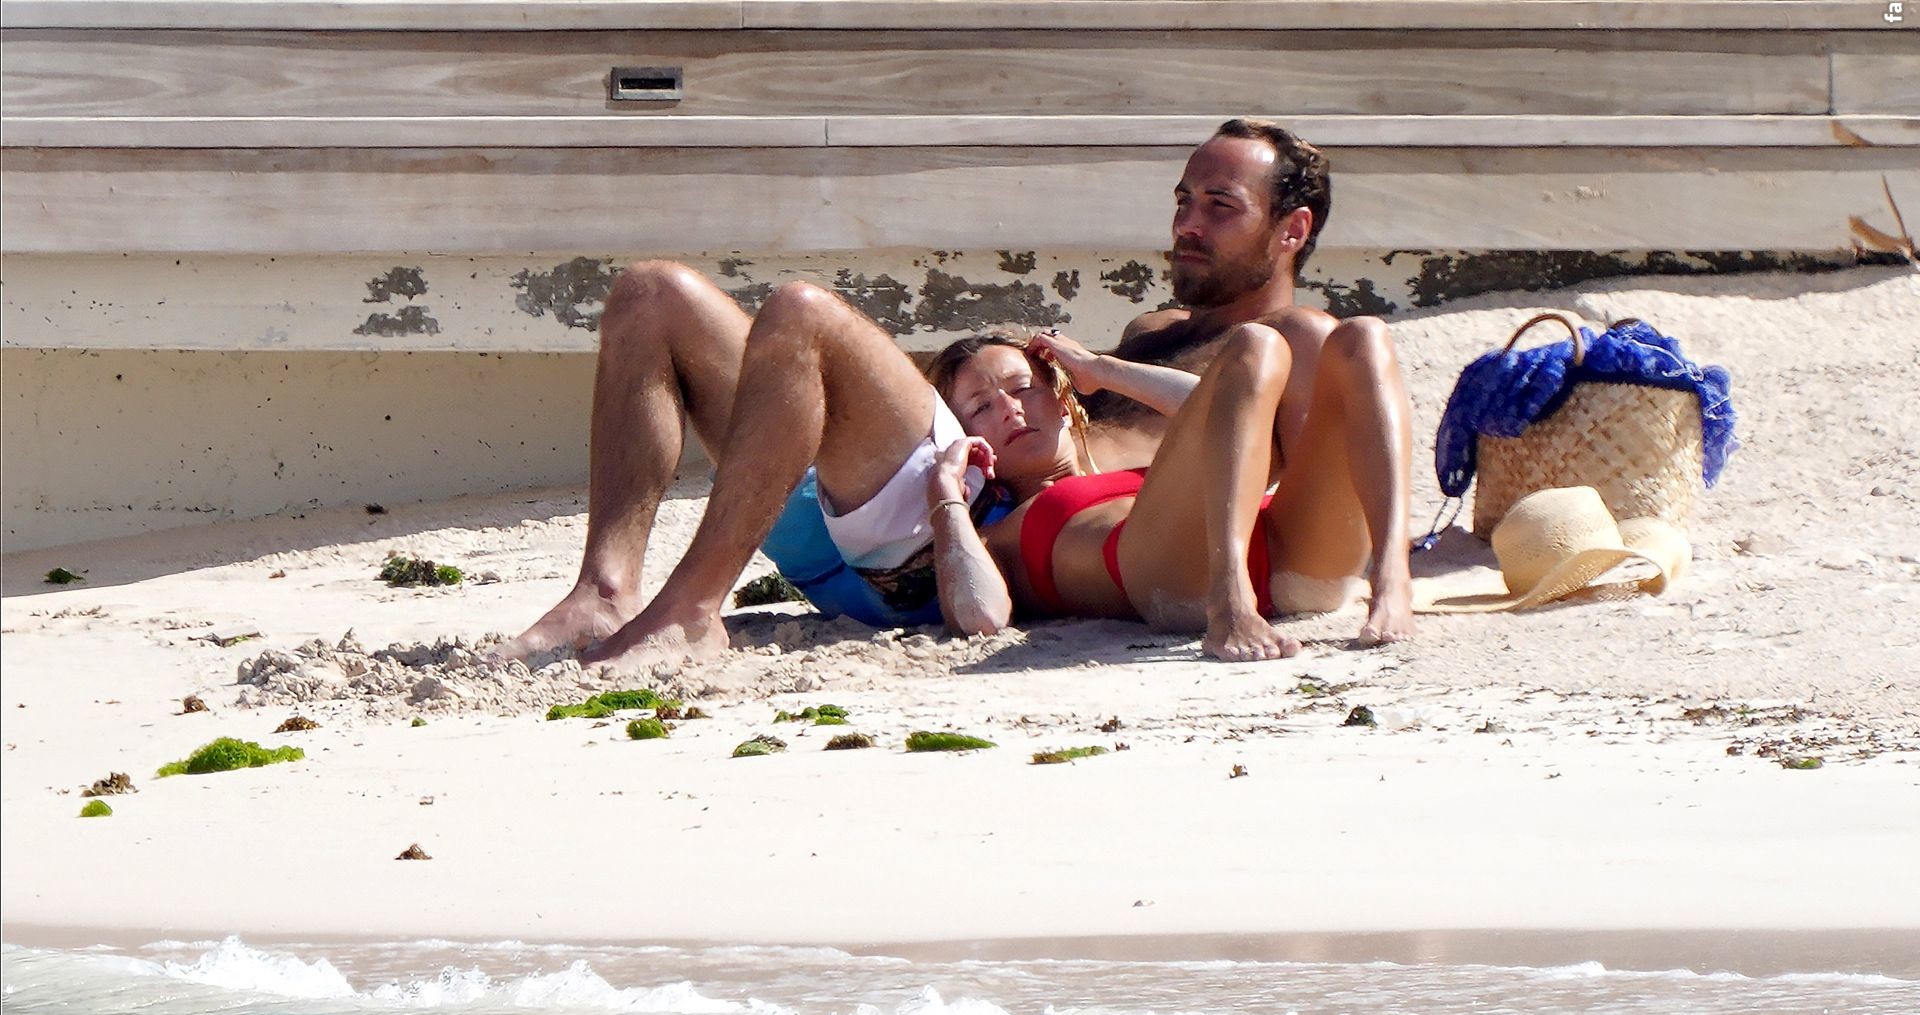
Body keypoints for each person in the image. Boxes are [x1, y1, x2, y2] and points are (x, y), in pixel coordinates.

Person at [498, 118, 1413, 670]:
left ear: (1291, 230)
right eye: (1182, 200)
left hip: (974, 525)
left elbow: (1269, 463)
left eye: (1219, 206)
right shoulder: (1152, 327)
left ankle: (694, 608)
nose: (1186, 224)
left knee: (804, 313)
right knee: (649, 293)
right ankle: (605, 588)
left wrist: (1095, 377)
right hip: (929, 493)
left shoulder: (1297, 338)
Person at [926, 328, 1322, 658]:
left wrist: (1101, 369)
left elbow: (1234, 410)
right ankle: (1232, 599)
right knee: (1254, 343)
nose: (1009, 408)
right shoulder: (997, 537)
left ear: (1063, 403)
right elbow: (982, 617)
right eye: (981, 408)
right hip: (1178, 583)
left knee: (1344, 339)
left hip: (1282, 552)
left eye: (1024, 388)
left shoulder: (1134, 458)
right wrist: (947, 494)